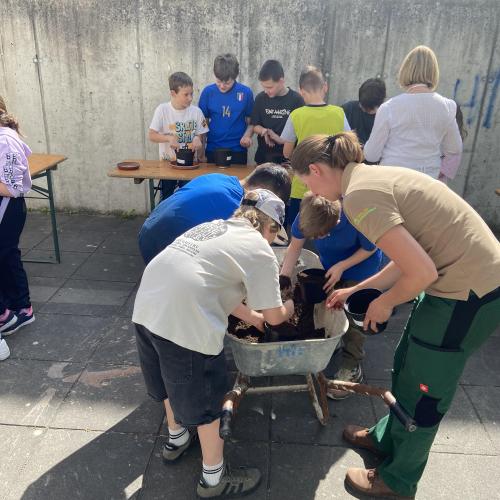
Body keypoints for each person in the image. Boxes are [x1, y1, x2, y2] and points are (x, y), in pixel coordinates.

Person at [290, 131, 500, 499]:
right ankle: (386, 437)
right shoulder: (368, 177)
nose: (312, 192)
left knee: (426, 388)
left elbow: (421, 273)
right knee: (406, 362)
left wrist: (384, 303)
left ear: (316, 169)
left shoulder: (359, 197)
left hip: (469, 291)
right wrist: (357, 290)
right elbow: (408, 257)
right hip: (451, 280)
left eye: (307, 182)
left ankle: (398, 480)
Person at [132, 189, 294, 498]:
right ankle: (213, 479)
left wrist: (252, 316)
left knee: (168, 382)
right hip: (184, 322)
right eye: (275, 235)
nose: (273, 241)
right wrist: (287, 306)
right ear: (270, 227)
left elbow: (209, 283)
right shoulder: (259, 249)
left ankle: (176, 440)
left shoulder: (213, 227)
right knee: (208, 402)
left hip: (148, 307)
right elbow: (276, 318)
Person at [280, 191, 381, 398]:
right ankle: (329, 342)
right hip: (330, 265)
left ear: (336, 222)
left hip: (361, 268)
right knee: (328, 304)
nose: (316, 239)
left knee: (352, 317)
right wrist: (283, 277)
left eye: (320, 236)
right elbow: (294, 248)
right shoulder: (307, 214)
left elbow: (370, 248)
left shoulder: (355, 216)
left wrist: (343, 266)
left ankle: (352, 363)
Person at [138, 163, 291, 264]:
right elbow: (243, 252)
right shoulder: (238, 205)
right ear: (264, 192)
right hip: (163, 244)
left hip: (148, 230)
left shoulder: (219, 177)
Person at [364, 45, 463, 179]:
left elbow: (371, 155)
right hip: (428, 181)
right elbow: (455, 149)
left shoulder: (389, 108)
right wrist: (442, 173)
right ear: (434, 71)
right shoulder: (448, 106)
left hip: (392, 180)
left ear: (405, 69)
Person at [280, 65, 350, 224]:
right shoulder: (339, 112)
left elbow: (286, 152)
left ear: (301, 90)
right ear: (325, 87)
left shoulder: (296, 115)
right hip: (334, 185)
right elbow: (349, 145)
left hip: (303, 185)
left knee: (299, 228)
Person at [0, 96, 35, 361]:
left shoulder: (5, 141)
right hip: (7, 209)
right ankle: (20, 309)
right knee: (8, 256)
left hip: (7, 210)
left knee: (7, 255)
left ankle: (10, 313)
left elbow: (10, 188)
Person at [148, 71, 209, 199]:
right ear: (173, 93)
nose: (190, 98)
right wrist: (168, 138)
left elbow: (202, 136)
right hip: (167, 164)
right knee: (166, 200)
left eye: (191, 93)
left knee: (190, 199)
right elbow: (152, 135)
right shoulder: (162, 110)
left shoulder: (197, 112)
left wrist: (198, 140)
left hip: (191, 165)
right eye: (186, 94)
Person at [199, 54, 254, 165]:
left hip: (238, 149)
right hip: (212, 149)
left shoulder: (246, 92)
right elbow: (202, 124)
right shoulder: (208, 92)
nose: (222, 86)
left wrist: (247, 136)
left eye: (227, 82)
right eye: (218, 81)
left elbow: (251, 121)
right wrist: (201, 152)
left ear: (235, 77)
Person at [250, 60, 304, 164]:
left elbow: (300, 132)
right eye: (264, 87)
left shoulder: (297, 100)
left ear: (281, 81)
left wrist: (280, 139)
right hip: (264, 159)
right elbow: (255, 125)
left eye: (269, 87)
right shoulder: (260, 98)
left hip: (288, 160)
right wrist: (264, 131)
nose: (266, 91)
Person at [342, 78, 386, 147]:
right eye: (362, 105)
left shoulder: (386, 118)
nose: (364, 110)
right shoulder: (348, 109)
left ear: (380, 104)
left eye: (369, 109)